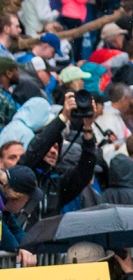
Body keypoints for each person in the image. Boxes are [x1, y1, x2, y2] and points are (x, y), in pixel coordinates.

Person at [17, 92, 98, 227]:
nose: (53, 151)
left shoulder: (57, 183)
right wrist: (63, 117)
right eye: (50, 147)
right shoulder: (22, 172)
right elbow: (37, 148)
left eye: (56, 148)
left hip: (46, 246)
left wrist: (88, 129)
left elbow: (85, 172)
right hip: (19, 244)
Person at [0, 165, 41, 266]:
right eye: (28, 198)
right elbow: (5, 238)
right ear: (17, 195)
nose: (28, 203)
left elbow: (15, 230)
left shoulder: (4, 205)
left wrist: (27, 247)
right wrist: (20, 250)